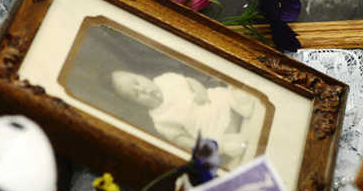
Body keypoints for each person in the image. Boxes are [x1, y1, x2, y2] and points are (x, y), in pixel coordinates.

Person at [110, 69, 259, 165]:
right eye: (137, 95)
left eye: (137, 82)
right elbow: (180, 138)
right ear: (138, 104)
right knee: (219, 143)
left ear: (141, 75)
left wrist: (200, 91)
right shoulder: (160, 120)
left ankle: (241, 104)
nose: (143, 90)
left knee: (227, 96)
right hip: (207, 126)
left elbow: (189, 81)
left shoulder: (166, 79)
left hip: (210, 103)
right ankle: (231, 142)